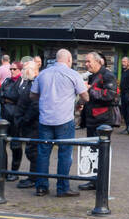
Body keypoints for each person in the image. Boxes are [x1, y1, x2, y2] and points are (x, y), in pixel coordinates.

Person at [30, 49, 89, 196]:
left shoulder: (43, 73)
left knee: (43, 154)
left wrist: (45, 99)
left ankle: (41, 187)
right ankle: (62, 188)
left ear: (57, 59)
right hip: (64, 120)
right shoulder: (73, 74)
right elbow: (86, 97)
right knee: (64, 154)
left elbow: (32, 95)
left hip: (45, 119)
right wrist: (78, 102)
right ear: (69, 59)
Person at [79, 52, 118, 189]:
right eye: (86, 61)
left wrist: (90, 90)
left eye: (89, 61)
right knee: (92, 151)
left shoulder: (107, 75)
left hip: (102, 121)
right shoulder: (92, 76)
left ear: (98, 61)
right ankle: (94, 181)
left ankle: (100, 182)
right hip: (92, 119)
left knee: (100, 152)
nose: (86, 64)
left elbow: (110, 95)